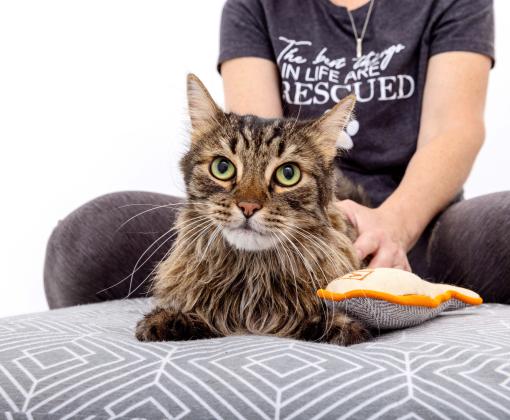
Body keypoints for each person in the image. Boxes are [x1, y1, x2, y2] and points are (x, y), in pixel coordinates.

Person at [44, 0, 510, 309]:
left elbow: (454, 129)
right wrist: (319, 234)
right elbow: (254, 147)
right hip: (289, 233)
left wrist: (393, 227)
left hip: (416, 231)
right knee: (87, 238)